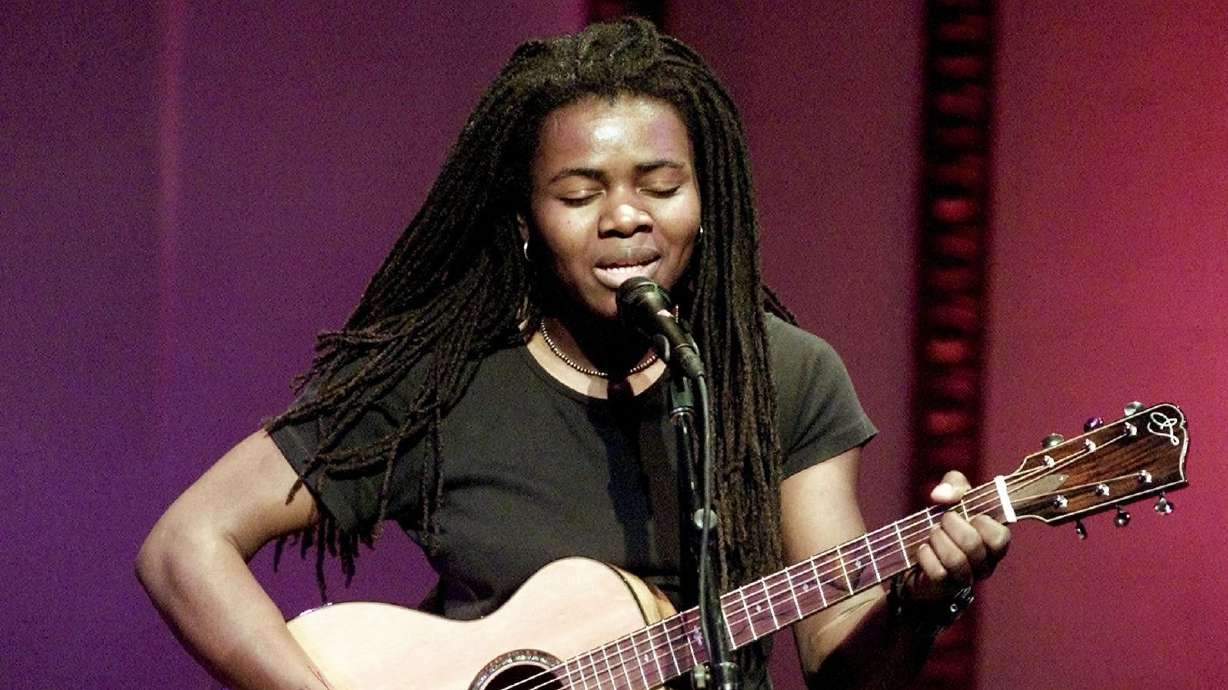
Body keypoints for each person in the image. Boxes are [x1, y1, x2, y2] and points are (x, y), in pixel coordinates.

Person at [136, 18, 1010, 690]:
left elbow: (841, 663)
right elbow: (186, 545)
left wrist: (922, 603)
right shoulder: (443, 376)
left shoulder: (784, 376)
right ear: (526, 221)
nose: (626, 217)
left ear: (708, 201)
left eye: (661, 187)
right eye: (580, 193)